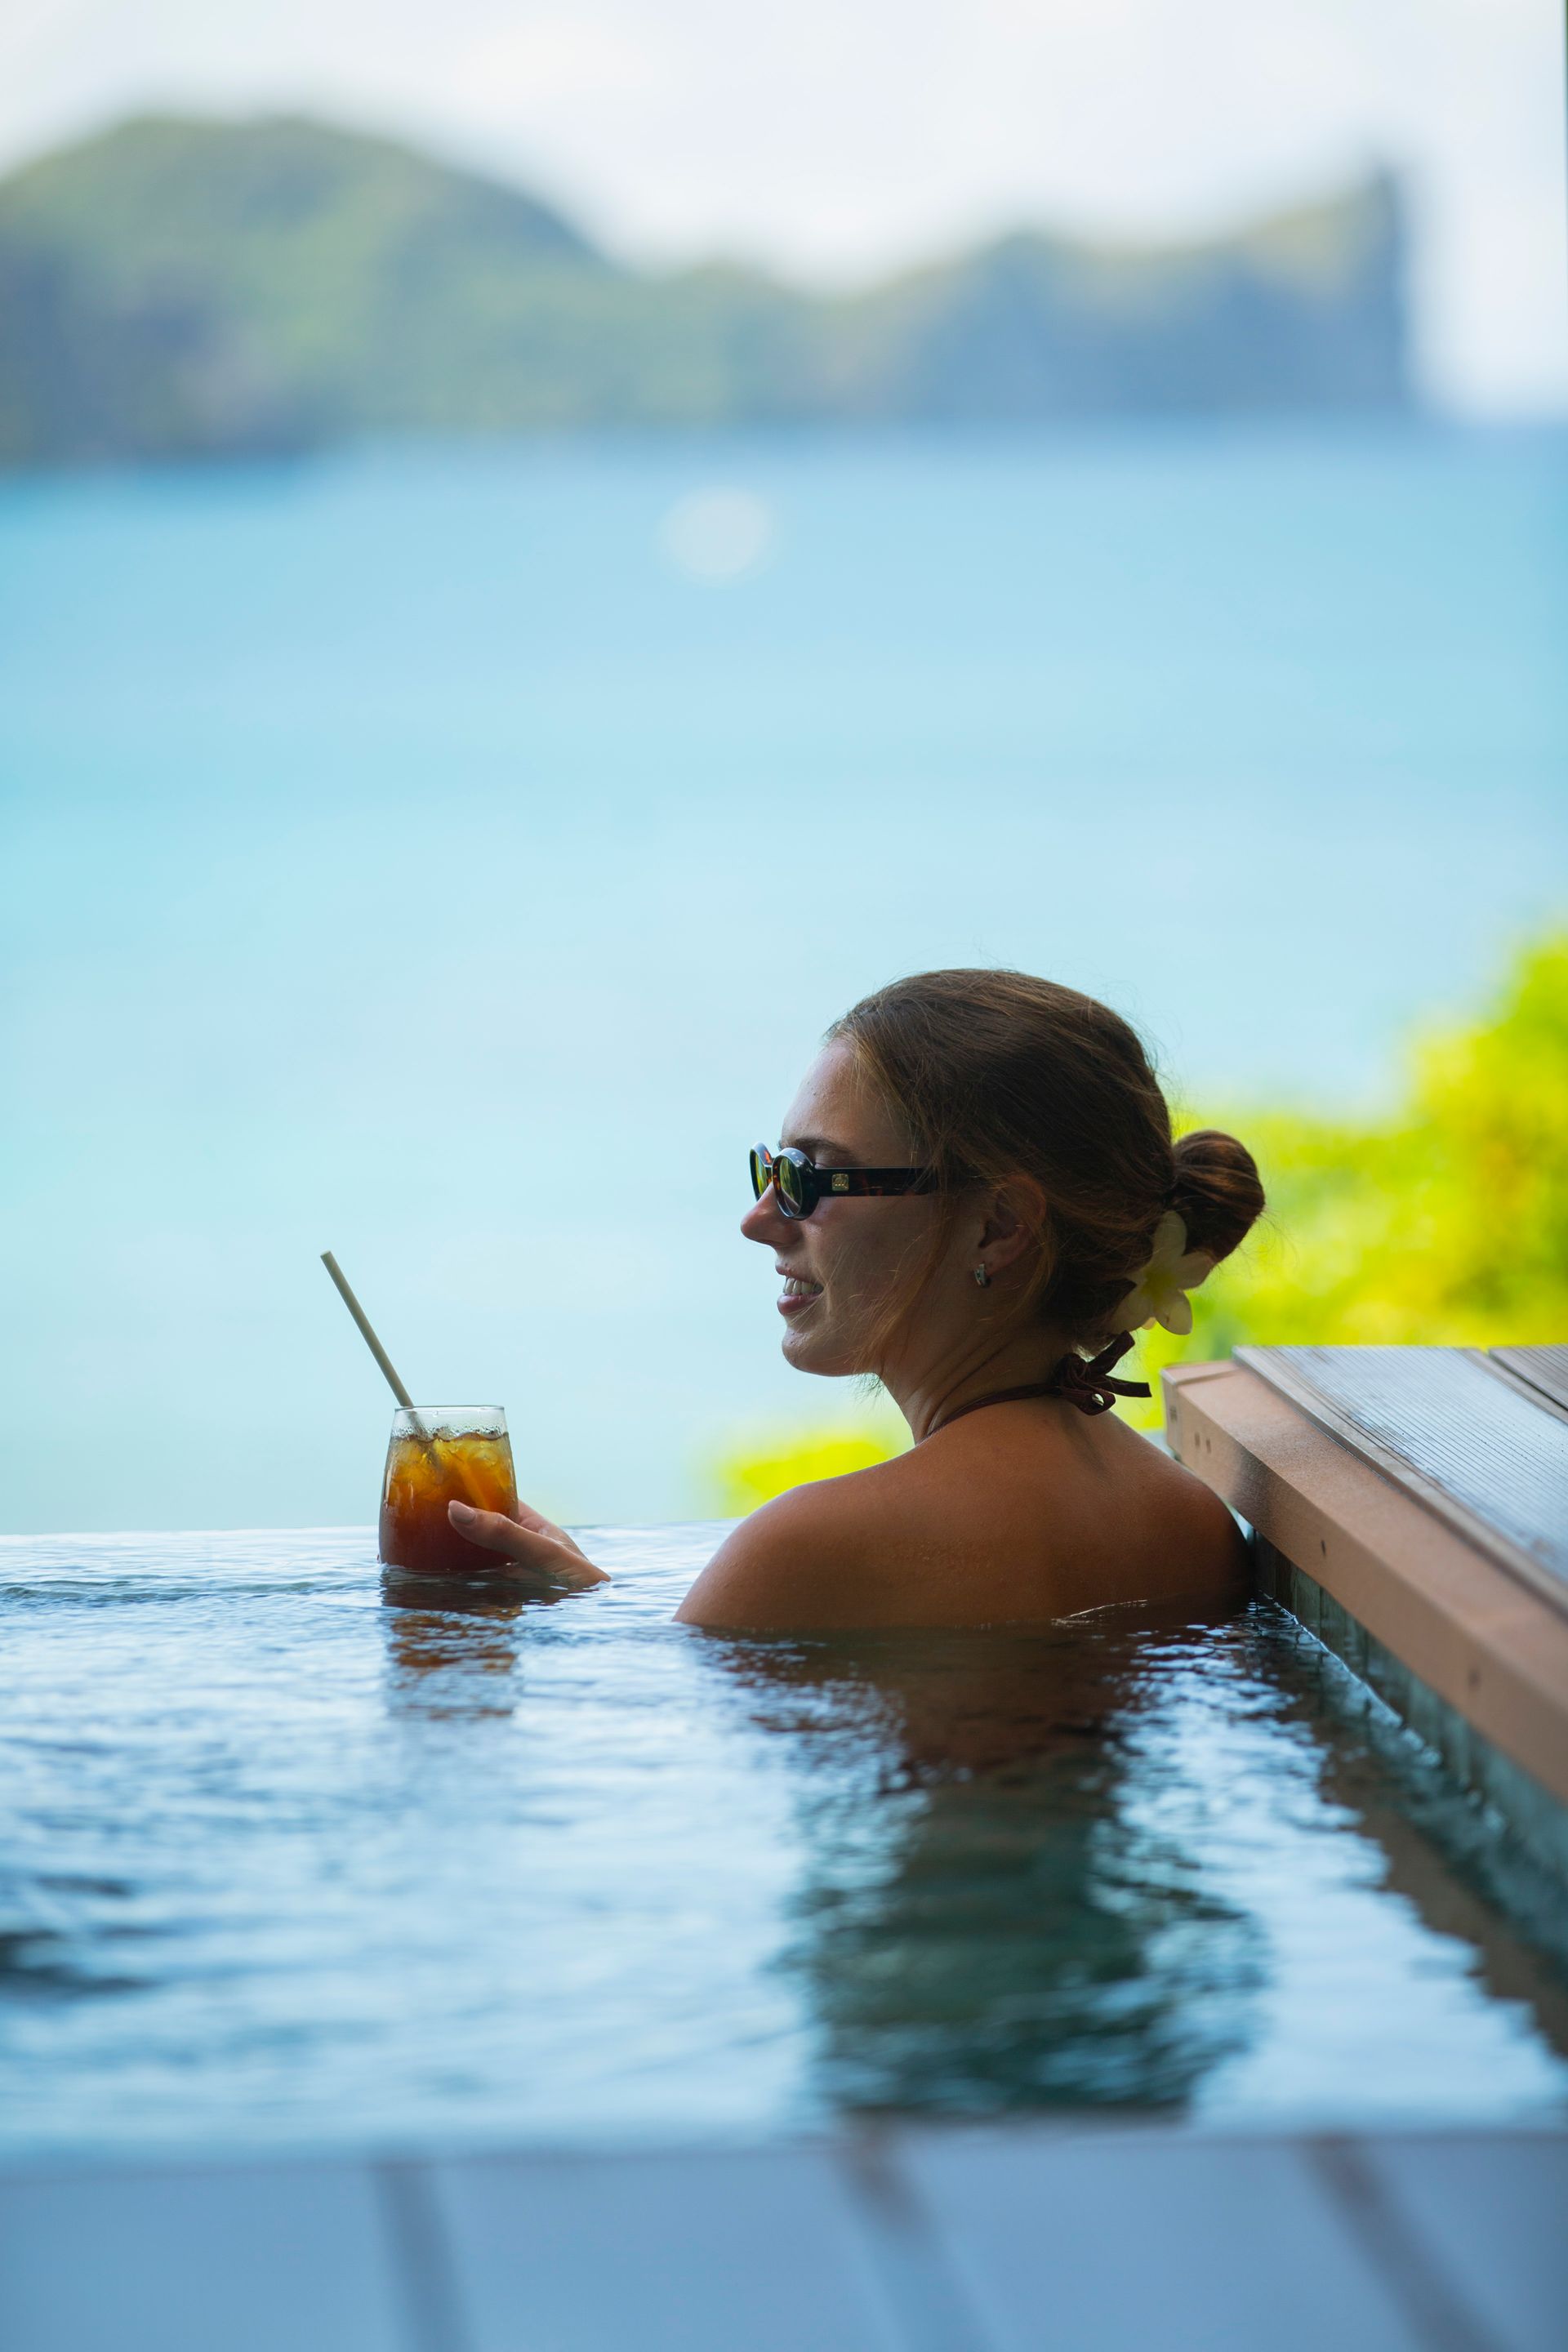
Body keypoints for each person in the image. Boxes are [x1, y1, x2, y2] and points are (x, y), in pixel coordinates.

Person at [448, 969, 1265, 1628]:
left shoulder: (816, 1548)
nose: (760, 1220)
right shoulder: (1194, 1524)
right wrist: (594, 1597)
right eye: (769, 1170)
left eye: (807, 1177)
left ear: (999, 1226)